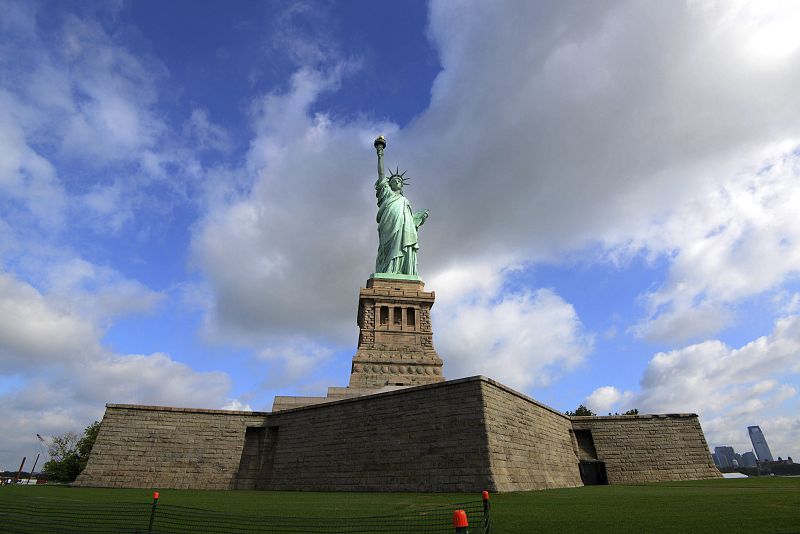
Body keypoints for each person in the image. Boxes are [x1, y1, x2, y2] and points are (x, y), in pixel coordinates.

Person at [374, 168, 429, 275]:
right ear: (389, 184)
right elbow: (381, 174)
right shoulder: (387, 194)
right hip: (389, 223)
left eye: (399, 181)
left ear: (402, 185)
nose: (397, 182)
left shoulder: (404, 200)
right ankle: (388, 269)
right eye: (394, 181)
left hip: (404, 226)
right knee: (388, 247)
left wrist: (419, 218)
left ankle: (399, 269)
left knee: (401, 244)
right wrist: (380, 157)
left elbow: (411, 220)